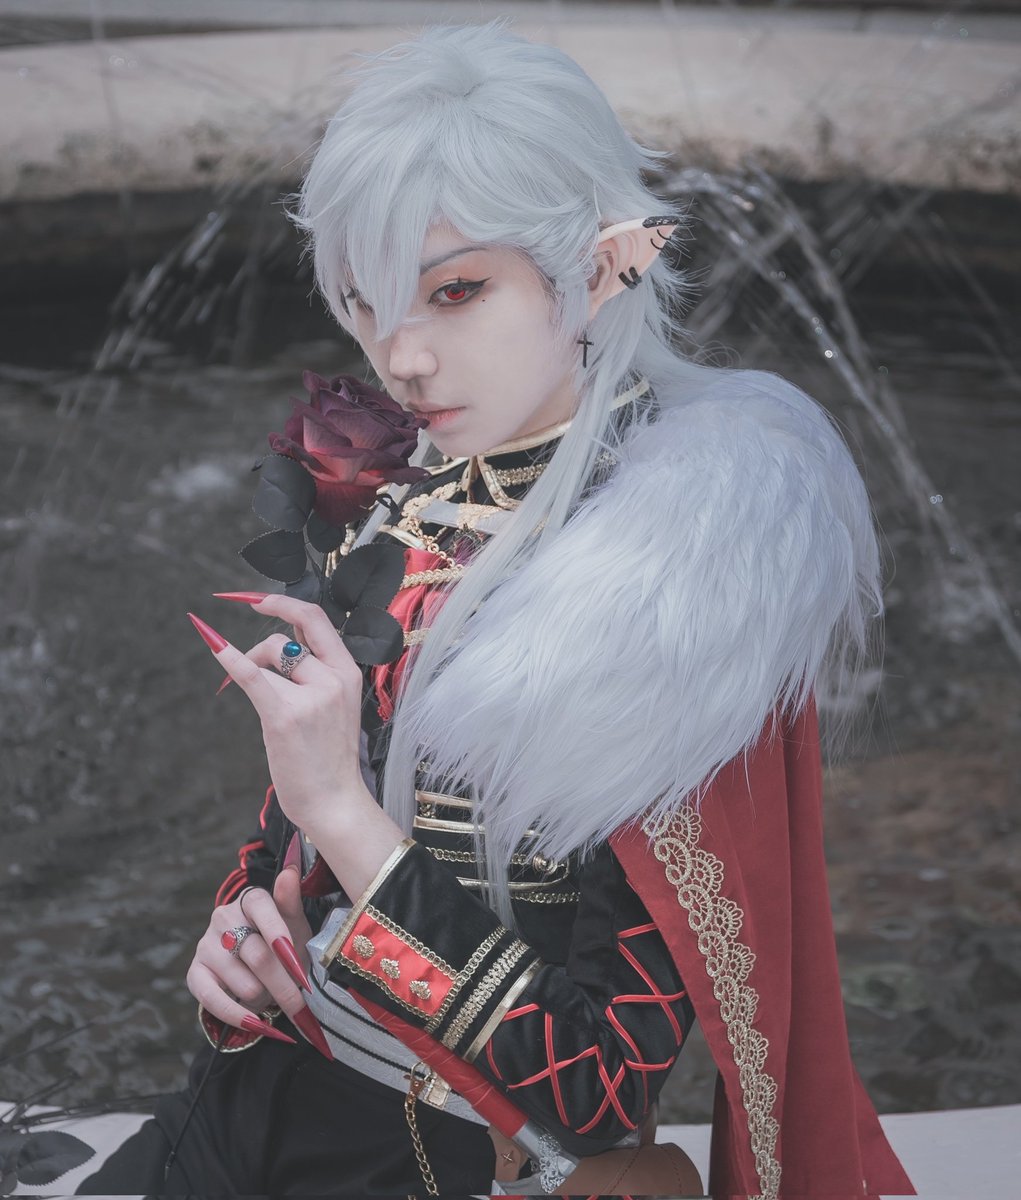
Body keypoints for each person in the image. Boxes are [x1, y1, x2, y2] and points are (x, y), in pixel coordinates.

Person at [78, 20, 914, 1198]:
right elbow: (285, 849)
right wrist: (239, 941)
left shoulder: (678, 587)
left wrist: (344, 818)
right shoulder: (401, 510)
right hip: (248, 1102)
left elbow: (601, 1088)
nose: (401, 360)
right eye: (366, 303)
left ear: (604, 268)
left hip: (453, 1159)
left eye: (456, 291)